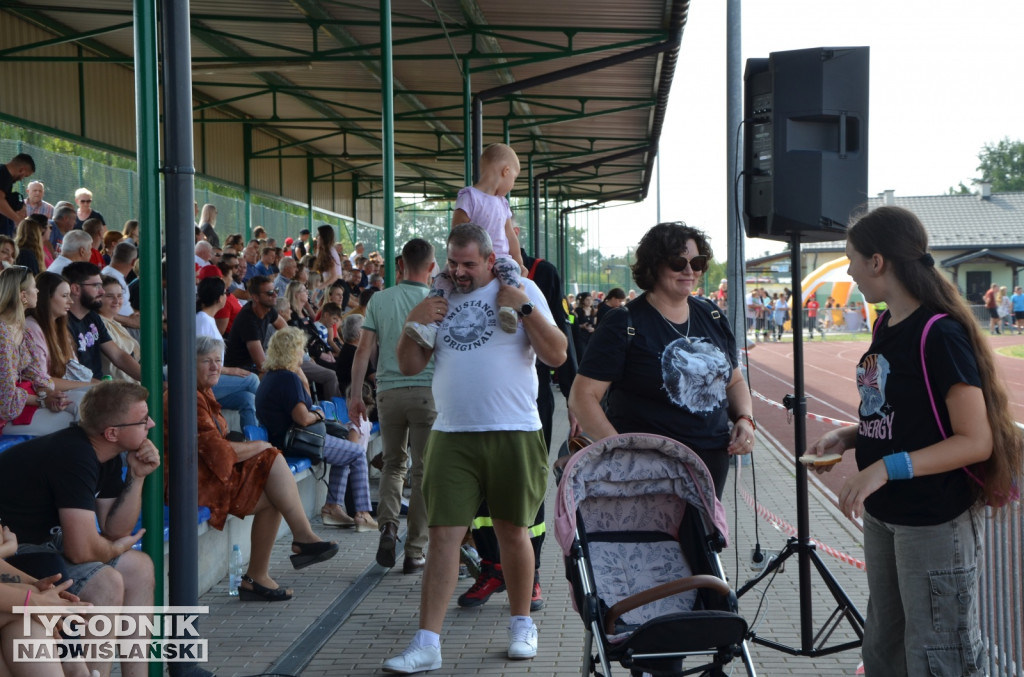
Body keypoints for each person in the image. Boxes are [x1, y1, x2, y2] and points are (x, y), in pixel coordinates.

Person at [807, 205, 1022, 676]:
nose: (849, 270)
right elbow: (898, 412)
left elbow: (976, 441)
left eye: (852, 259)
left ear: (877, 262)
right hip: (887, 516)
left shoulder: (939, 334)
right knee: (884, 648)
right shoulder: (886, 326)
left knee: (939, 655)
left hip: (934, 519)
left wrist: (884, 467)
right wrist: (850, 436)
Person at [384, 224, 565, 672]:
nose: (460, 272)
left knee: (512, 532)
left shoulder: (521, 288)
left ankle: (522, 624)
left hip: (514, 430)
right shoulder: (438, 299)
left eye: (468, 264)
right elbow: (409, 364)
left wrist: (522, 308)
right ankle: (427, 643)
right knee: (444, 536)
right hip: (452, 434)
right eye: (453, 263)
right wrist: (415, 322)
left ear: (489, 259)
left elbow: (558, 354)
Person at [569, 222, 755, 498]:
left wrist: (744, 419)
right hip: (649, 466)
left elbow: (735, 380)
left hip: (711, 458)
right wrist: (621, 453)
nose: (689, 270)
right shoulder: (624, 321)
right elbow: (582, 396)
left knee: (704, 540)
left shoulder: (712, 314)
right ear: (654, 265)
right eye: (678, 262)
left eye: (698, 262)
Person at [0, 381, 159, 677]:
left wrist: (137, 477)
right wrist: (114, 549)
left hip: (44, 543)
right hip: (15, 549)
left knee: (139, 566)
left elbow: (114, 530)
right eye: (142, 419)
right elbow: (83, 549)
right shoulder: (74, 454)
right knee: (106, 581)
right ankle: (87, 672)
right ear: (111, 433)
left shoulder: (107, 452)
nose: (151, 423)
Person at [175, 336, 339, 601]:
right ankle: (301, 538)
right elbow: (218, 452)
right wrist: (260, 446)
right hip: (193, 483)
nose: (215, 367)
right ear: (189, 364)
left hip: (207, 475)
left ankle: (257, 578)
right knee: (270, 453)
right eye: (207, 361)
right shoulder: (186, 399)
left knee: (273, 489)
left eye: (218, 361)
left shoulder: (202, 394)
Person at [348, 238, 436, 576]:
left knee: (393, 464)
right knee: (424, 472)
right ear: (430, 268)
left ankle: (387, 526)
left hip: (387, 393)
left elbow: (362, 351)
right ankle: (415, 551)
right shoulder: (436, 300)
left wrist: (357, 395)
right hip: (428, 393)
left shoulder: (380, 300)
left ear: (400, 266)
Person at [255, 328, 378, 531]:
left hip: (286, 440)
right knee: (356, 452)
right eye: (300, 349)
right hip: (298, 441)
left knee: (346, 452)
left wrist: (301, 375)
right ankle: (363, 514)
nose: (303, 353)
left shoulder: (272, 376)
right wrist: (320, 415)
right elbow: (303, 418)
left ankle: (333, 508)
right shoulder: (287, 378)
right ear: (291, 351)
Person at [404, 143, 525, 349]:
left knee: (512, 273)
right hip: (471, 258)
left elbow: (510, 236)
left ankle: (509, 311)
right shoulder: (469, 196)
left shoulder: (502, 203)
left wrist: (519, 262)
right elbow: (457, 230)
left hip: (500, 256)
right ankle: (431, 327)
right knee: (441, 282)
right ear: (506, 171)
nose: (512, 184)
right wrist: (459, 259)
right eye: (513, 178)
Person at [0, 266, 74, 435]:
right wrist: (43, 400)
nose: (38, 290)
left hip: (21, 404)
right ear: (23, 295)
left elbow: (34, 373)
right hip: (5, 415)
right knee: (73, 425)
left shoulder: (22, 329)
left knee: (83, 408)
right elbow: (5, 400)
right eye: (34, 287)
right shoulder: (3, 333)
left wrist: (49, 394)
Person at [195, 276, 260, 429]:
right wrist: (230, 370)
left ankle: (253, 441)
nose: (228, 296)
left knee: (247, 399)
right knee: (252, 380)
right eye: (226, 293)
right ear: (219, 298)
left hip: (215, 376)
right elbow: (200, 361)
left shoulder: (207, 319)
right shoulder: (202, 321)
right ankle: (277, 417)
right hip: (203, 381)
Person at [63, 262, 141, 382]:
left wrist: (151, 381)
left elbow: (118, 356)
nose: (102, 292)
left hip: (100, 387)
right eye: (96, 286)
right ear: (76, 289)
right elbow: (73, 373)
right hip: (82, 392)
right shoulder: (63, 323)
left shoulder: (92, 317)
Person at [223, 275, 286, 374]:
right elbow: (262, 365)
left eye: (276, 290)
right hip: (241, 370)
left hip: (253, 366)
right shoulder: (248, 320)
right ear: (255, 297)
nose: (275, 295)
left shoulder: (268, 309)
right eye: (270, 293)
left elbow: (287, 331)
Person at [97, 276, 140, 382]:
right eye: (109, 296)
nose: (116, 301)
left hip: (133, 382)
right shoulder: (100, 324)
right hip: (120, 387)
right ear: (97, 298)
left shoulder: (114, 322)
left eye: (120, 296)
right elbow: (118, 358)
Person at [0, 154, 34, 237]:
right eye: (25, 176)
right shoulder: (3, 174)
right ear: (22, 170)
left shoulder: (7, 178)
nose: (22, 179)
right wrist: (17, 219)